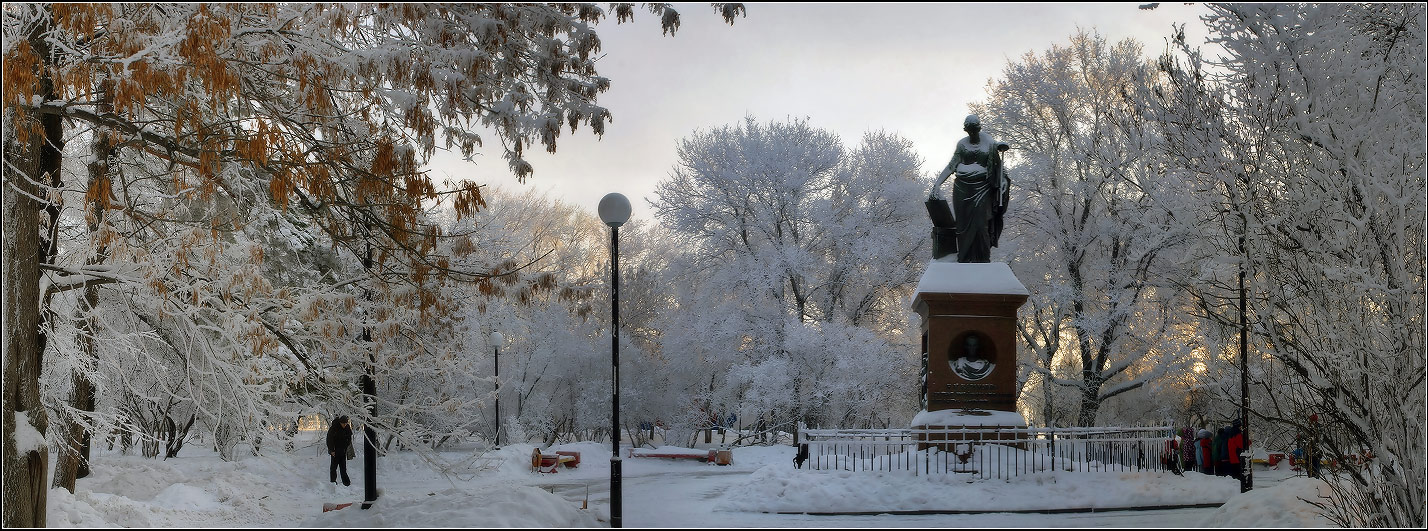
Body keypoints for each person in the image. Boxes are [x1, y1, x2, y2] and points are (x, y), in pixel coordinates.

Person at [930, 114, 1010, 263]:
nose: (972, 133)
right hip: (962, 188)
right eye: (969, 131)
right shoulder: (962, 144)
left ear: (979, 128)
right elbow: (951, 165)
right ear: (966, 130)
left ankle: (983, 259)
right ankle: (964, 258)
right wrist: (937, 183)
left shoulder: (990, 142)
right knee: (962, 226)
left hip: (983, 188)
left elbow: (998, 166)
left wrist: (1003, 180)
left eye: (975, 130)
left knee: (981, 224)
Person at [326, 415, 353, 486]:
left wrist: (345, 446)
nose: (344, 425)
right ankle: (333, 482)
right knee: (333, 468)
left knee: (343, 468)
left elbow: (349, 437)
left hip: (343, 451)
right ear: (340, 422)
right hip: (335, 451)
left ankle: (346, 483)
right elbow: (329, 440)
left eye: (346, 423)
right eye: (343, 423)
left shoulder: (347, 428)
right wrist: (331, 450)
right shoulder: (334, 428)